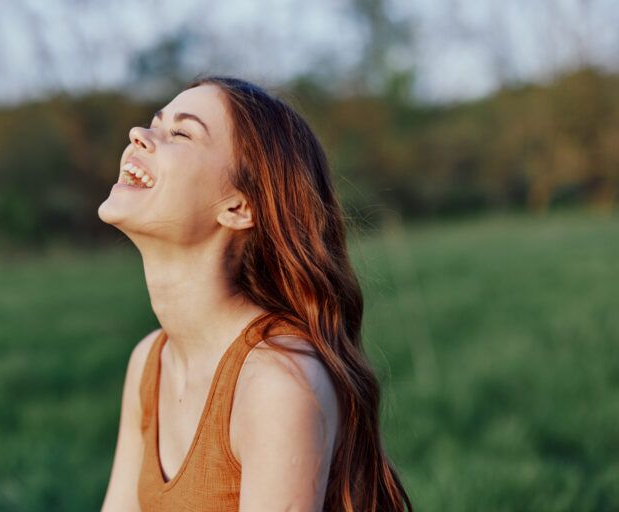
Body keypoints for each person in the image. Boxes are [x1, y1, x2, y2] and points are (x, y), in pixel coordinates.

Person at [97, 76, 410, 512]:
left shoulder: (278, 383)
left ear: (239, 207)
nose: (139, 135)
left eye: (180, 133)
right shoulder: (148, 362)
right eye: (155, 123)